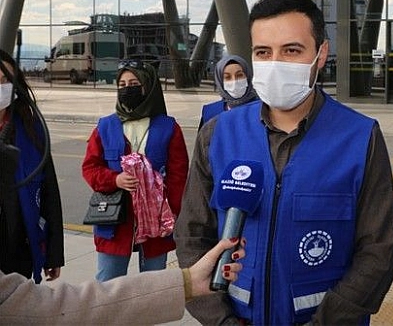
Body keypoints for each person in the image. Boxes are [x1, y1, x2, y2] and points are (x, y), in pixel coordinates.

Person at [175, 0, 393, 325]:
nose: (275, 63)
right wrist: (221, 321)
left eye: (292, 50)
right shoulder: (218, 134)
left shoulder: (360, 137)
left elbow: (378, 252)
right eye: (263, 52)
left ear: (320, 54)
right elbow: (192, 235)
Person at [82, 60, 188, 282]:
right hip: (114, 222)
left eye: (133, 83)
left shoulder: (169, 127)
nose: (126, 89)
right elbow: (90, 168)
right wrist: (115, 179)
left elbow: (179, 177)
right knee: (108, 286)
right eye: (122, 84)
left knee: (152, 288)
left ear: (147, 87)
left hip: (156, 225)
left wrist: (174, 215)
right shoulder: (105, 126)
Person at [0, 238, 245, 324]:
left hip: (154, 233)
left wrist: (186, 283)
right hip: (115, 232)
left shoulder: (167, 128)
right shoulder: (107, 128)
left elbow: (52, 309)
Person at [0, 51, 64, 284]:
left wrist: (53, 254)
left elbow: (49, 191)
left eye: (5, 80)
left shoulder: (31, 127)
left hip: (19, 250)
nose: (0, 86)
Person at [198, 53, 258, 129]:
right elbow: (204, 140)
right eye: (227, 77)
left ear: (248, 76)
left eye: (239, 75)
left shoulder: (263, 109)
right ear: (220, 81)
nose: (234, 81)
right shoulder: (210, 112)